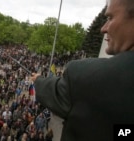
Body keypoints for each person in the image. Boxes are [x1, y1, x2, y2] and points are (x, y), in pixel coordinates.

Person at [31, 0, 134, 141]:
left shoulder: (84, 75)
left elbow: (53, 92)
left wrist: (37, 80)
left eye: (110, 18)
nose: (103, 28)